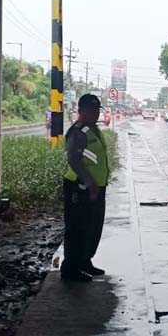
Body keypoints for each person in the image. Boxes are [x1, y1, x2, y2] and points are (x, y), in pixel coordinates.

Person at [62, 94, 111, 282]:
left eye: (97, 110)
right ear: (81, 111)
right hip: (79, 187)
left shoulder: (94, 130)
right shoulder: (78, 131)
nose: (95, 113)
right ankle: (70, 269)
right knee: (77, 228)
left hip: (96, 187)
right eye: (91, 110)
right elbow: (74, 160)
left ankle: (84, 261)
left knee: (93, 226)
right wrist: (89, 183)